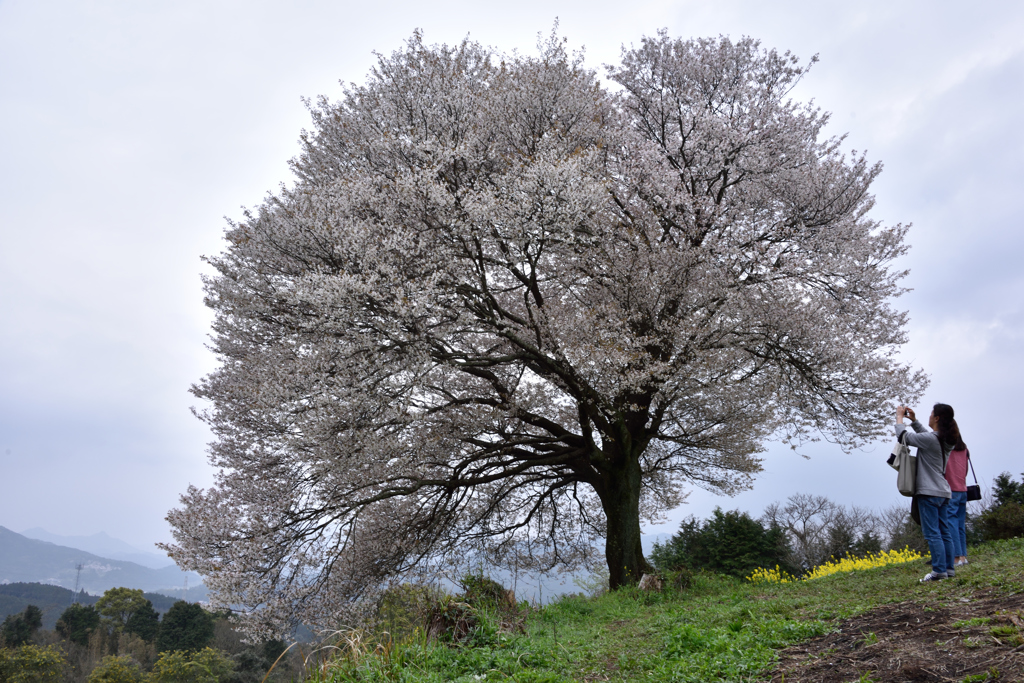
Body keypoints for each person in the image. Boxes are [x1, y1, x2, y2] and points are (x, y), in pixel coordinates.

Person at [896, 403, 958, 582]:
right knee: (944, 531)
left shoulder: (933, 440)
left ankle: (938, 572)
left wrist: (900, 417)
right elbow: (928, 437)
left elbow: (903, 437)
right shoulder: (945, 440)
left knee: (933, 533)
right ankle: (948, 569)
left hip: (929, 492)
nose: (930, 416)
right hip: (943, 492)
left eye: (931, 414)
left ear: (937, 418)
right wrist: (914, 421)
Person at [944, 435, 970, 567]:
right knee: (960, 524)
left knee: (951, 523)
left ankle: (956, 557)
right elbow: (965, 470)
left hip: (951, 489)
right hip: (963, 490)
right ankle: (963, 556)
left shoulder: (947, 448)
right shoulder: (964, 449)